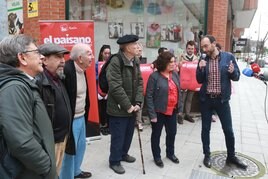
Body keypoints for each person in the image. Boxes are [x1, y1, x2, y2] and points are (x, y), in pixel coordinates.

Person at [0, 35, 57, 179]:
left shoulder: (21, 84)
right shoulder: (14, 88)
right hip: (29, 173)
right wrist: (47, 168)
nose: (42, 57)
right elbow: (21, 142)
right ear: (22, 58)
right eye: (37, 52)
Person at [196, 35, 247, 170]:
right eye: (202, 47)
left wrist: (232, 72)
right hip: (206, 100)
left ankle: (231, 156)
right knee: (205, 129)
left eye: (206, 46)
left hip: (222, 101)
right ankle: (207, 154)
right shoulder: (202, 59)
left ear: (214, 44)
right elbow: (199, 80)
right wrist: (200, 68)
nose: (204, 49)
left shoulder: (228, 57)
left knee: (228, 130)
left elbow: (236, 77)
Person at [107, 34, 144, 174]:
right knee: (118, 135)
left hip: (132, 107)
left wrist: (138, 102)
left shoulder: (135, 60)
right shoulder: (116, 61)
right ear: (127, 47)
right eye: (135, 44)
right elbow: (115, 87)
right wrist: (128, 106)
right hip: (118, 108)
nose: (138, 47)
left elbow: (140, 82)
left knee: (128, 133)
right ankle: (114, 160)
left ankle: (123, 154)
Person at [36, 43, 72, 175]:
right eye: (57, 57)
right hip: (51, 142)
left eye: (63, 57)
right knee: (50, 174)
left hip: (62, 138)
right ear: (44, 60)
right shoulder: (39, 82)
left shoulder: (58, 78)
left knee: (56, 172)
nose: (63, 61)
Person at [60, 43, 94, 179]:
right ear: (80, 58)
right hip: (70, 119)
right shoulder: (67, 70)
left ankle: (76, 171)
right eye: (89, 54)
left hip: (81, 116)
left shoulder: (81, 68)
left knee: (80, 147)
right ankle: (67, 176)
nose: (92, 56)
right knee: (69, 151)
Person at [146, 51, 181, 168]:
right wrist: (152, 115)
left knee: (172, 133)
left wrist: (179, 107)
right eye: (170, 62)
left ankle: (170, 153)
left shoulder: (175, 74)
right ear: (164, 63)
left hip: (172, 111)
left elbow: (178, 91)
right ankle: (157, 156)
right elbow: (149, 96)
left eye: (174, 61)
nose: (173, 64)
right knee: (156, 135)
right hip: (159, 112)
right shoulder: (154, 76)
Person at [177, 40, 198, 124]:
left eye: (192, 49)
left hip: (192, 82)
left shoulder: (196, 58)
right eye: (189, 48)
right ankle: (180, 115)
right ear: (186, 49)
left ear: (194, 49)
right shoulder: (181, 57)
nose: (190, 50)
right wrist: (179, 64)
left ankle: (187, 114)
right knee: (182, 99)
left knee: (189, 99)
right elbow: (177, 69)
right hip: (184, 82)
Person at [97, 45, 111, 135]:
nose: (107, 55)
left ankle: (107, 125)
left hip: (108, 91)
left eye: (109, 53)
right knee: (100, 109)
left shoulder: (111, 64)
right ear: (101, 53)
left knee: (107, 109)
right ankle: (102, 125)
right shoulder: (96, 64)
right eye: (105, 53)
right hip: (98, 91)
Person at [136, 42, 144, 131]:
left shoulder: (143, 60)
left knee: (141, 105)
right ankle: (137, 121)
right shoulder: (132, 61)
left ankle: (139, 121)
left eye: (141, 50)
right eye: (138, 49)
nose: (139, 51)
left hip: (141, 86)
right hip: (134, 85)